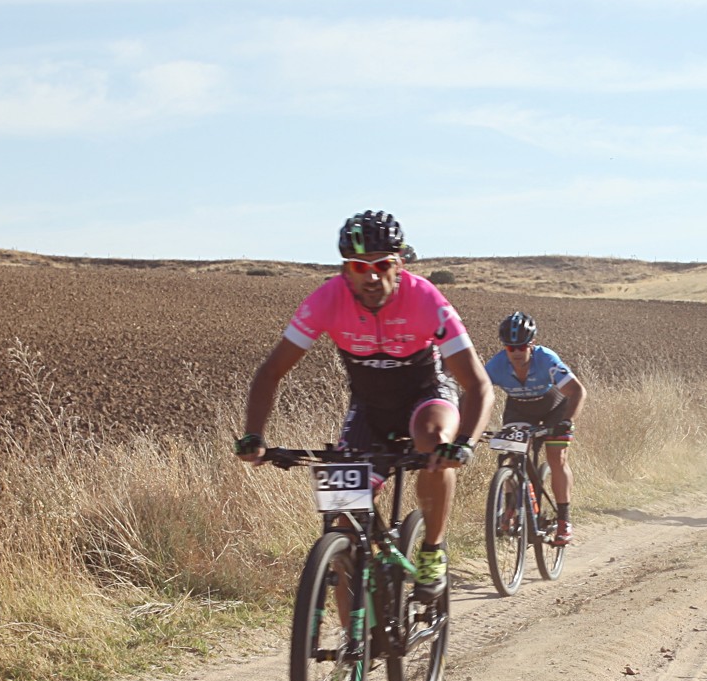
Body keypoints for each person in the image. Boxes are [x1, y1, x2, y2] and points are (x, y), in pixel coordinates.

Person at [236, 211, 493, 598]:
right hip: (370, 410)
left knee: (433, 440)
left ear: (399, 264)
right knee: (342, 527)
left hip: (427, 395)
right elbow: (271, 371)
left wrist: (465, 444)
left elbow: (478, 385)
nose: (371, 277)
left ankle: (432, 551)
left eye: (382, 265)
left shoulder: (426, 300)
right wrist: (254, 434)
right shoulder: (326, 300)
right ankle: (352, 649)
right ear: (345, 270)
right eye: (359, 266)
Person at [484, 312, 586, 547]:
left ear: (532, 345)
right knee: (508, 455)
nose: (517, 352)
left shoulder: (547, 360)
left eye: (522, 346)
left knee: (556, 457)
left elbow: (577, 391)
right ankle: (511, 506)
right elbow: (474, 394)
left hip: (554, 409)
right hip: (519, 410)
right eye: (511, 347)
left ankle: (563, 520)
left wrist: (567, 420)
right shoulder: (496, 365)